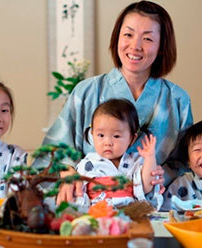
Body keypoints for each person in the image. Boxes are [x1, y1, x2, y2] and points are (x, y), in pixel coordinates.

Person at [33, 0, 193, 204]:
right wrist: (67, 171)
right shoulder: (86, 91)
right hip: (92, 209)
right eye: (128, 34)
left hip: (152, 208)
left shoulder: (177, 99)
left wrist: (159, 174)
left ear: (162, 46)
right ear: (117, 37)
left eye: (147, 39)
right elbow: (51, 153)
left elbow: (186, 162)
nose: (135, 46)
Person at [75, 98, 163, 208]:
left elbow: (146, 187)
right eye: (101, 135)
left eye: (116, 136)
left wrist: (150, 158)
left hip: (131, 214)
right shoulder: (87, 164)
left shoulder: (135, 161)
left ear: (132, 139)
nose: (108, 143)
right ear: (92, 134)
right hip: (99, 215)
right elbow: (78, 195)